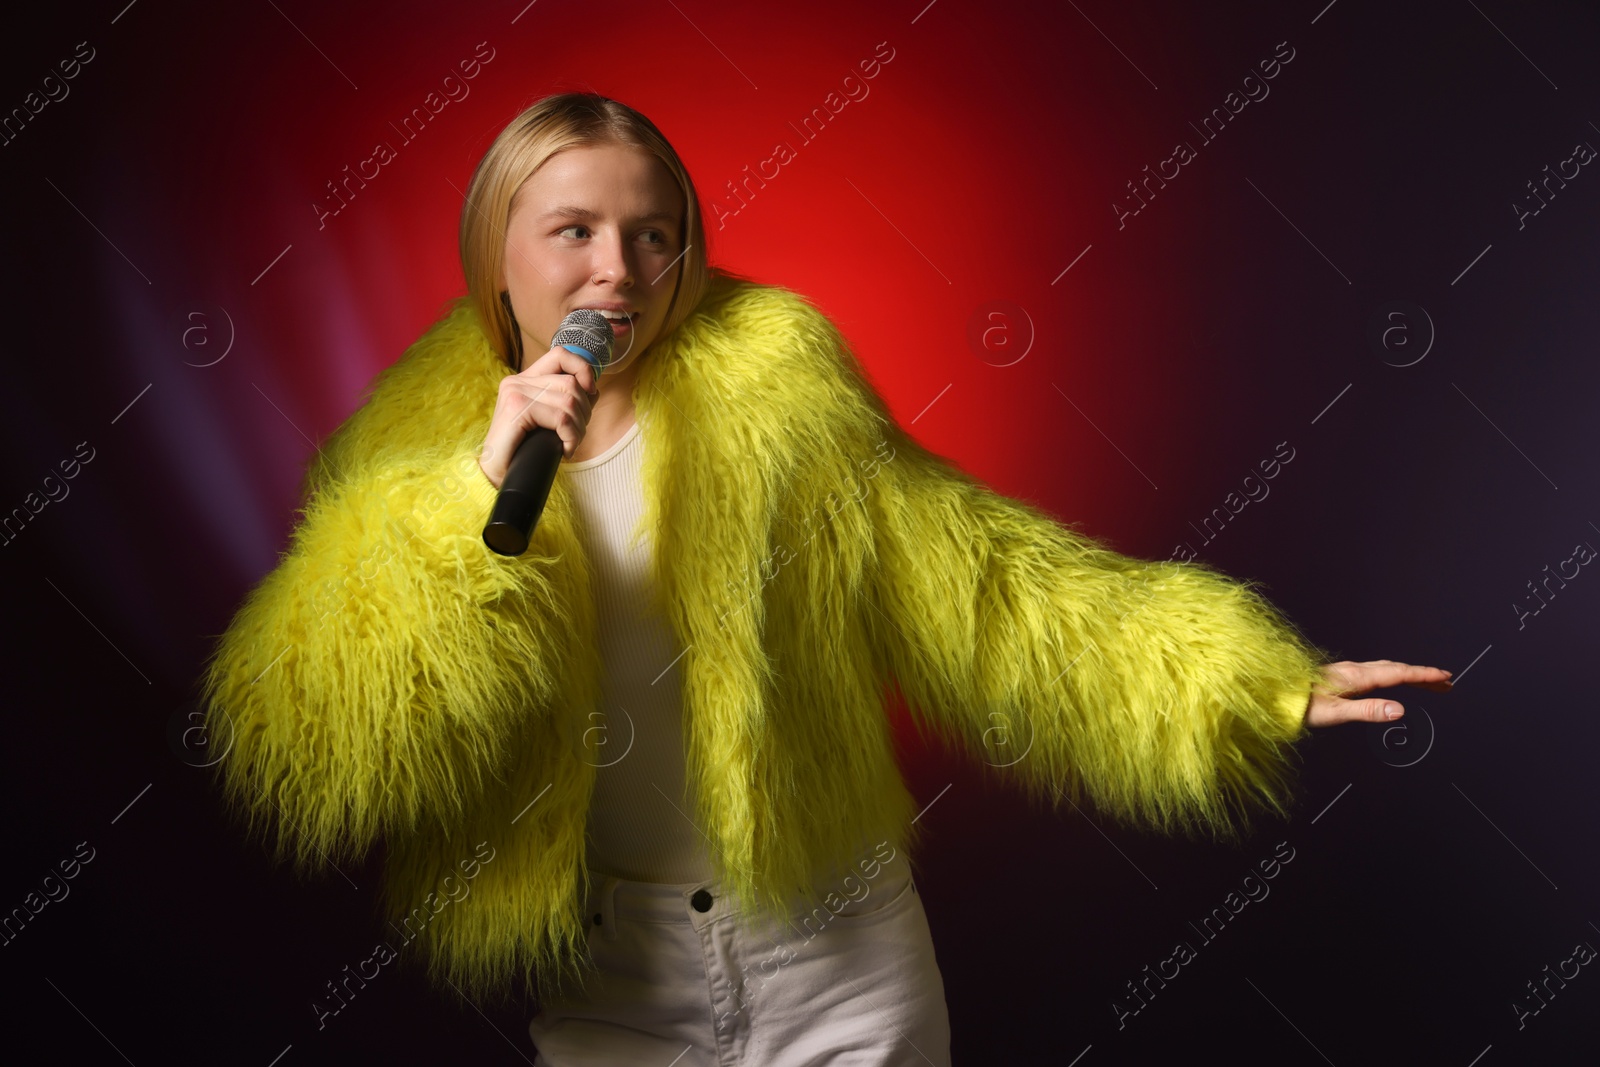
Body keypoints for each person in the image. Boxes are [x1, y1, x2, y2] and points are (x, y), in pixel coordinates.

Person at [200, 92, 1451, 1065]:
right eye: (572, 231)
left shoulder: (779, 380)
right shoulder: (411, 440)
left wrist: (1236, 677)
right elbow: (310, 725)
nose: (616, 273)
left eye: (651, 234)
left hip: (833, 950)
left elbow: (975, 580)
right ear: (497, 252)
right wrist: (469, 497)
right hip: (606, 982)